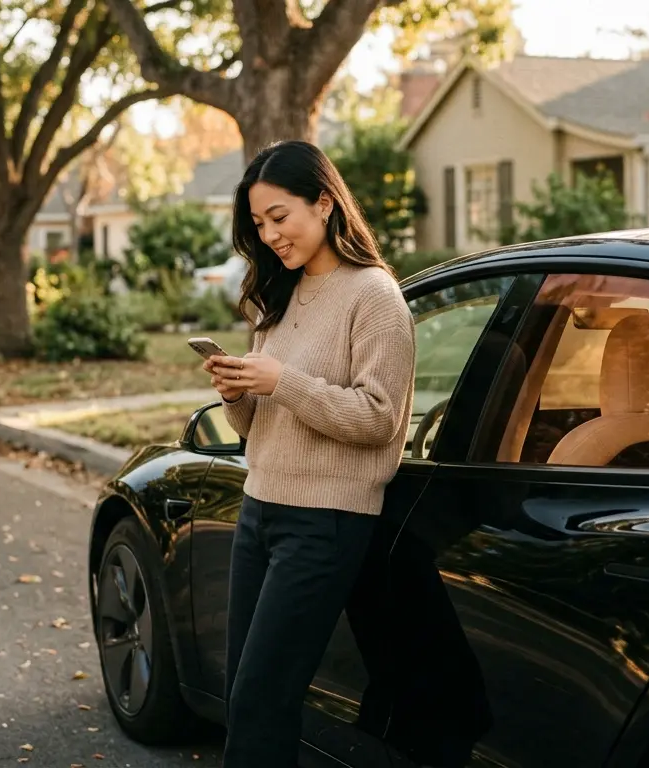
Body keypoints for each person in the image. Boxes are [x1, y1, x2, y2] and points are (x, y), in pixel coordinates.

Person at [201, 140, 416, 767]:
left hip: (325, 522)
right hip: (259, 509)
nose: (268, 235)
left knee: (264, 700)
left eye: (279, 216)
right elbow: (261, 427)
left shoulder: (373, 296)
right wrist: (238, 391)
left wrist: (281, 382)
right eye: (259, 223)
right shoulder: (281, 296)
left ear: (324, 202)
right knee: (245, 693)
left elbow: (380, 419)